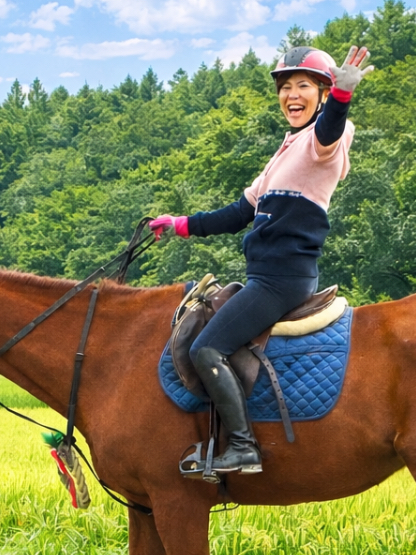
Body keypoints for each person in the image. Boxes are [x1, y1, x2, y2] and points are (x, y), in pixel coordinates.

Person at [150, 44, 374, 475]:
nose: (292, 94)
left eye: (304, 86)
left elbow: (329, 131)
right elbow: (237, 214)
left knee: (207, 347)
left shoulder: (322, 142)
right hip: (267, 275)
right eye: (285, 86)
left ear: (323, 94)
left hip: (280, 278)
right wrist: (180, 224)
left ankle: (241, 447)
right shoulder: (285, 152)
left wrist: (343, 96)